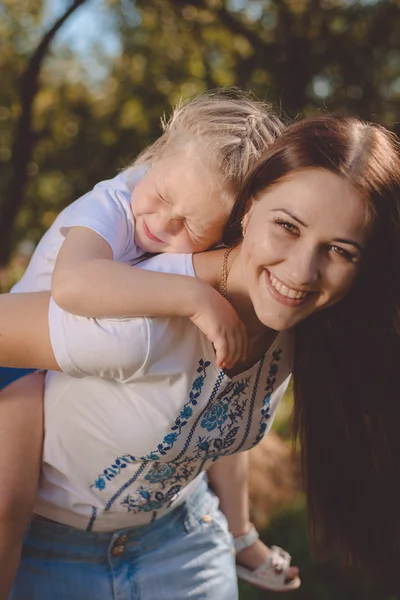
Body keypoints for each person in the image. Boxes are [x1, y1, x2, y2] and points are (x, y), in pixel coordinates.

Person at [1, 114, 400, 598]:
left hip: (184, 540)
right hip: (44, 553)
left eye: (340, 250)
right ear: (248, 210)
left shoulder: (307, 327)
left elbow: (212, 422)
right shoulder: (139, 319)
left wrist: (240, 533)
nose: (301, 271)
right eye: (287, 227)